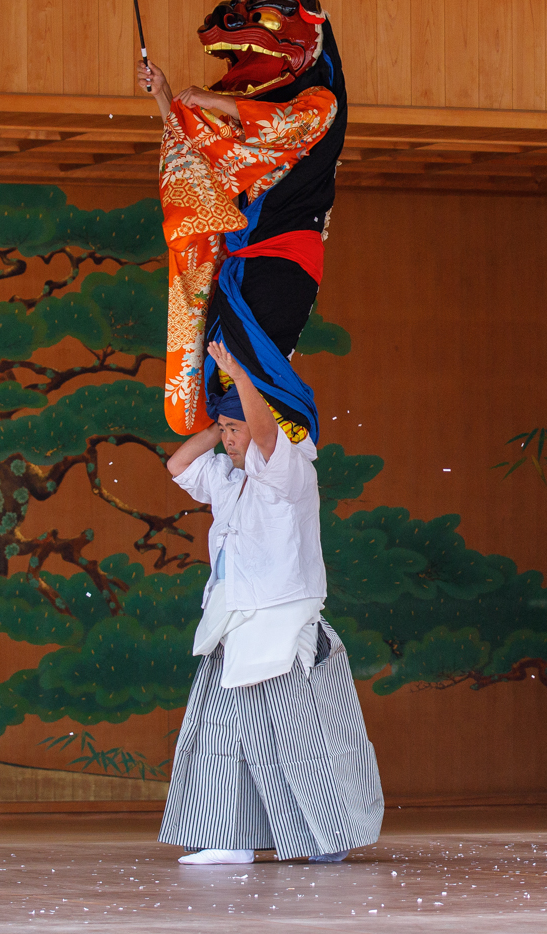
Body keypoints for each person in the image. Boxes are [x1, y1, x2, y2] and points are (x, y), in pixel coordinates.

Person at [158, 340, 383, 866]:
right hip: (234, 628)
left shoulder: (293, 472)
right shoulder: (229, 479)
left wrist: (242, 382)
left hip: (283, 629)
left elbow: (265, 436)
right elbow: (177, 464)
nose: (232, 441)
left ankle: (330, 838)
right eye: (229, 431)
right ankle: (226, 837)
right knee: (219, 739)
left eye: (238, 430)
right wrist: (219, 423)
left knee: (301, 742)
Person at [146, 0, 346, 443]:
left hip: (281, 255)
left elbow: (280, 124)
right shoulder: (236, 117)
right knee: (231, 359)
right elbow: (195, 145)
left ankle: (261, 428)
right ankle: (264, 433)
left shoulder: (321, 102)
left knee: (232, 360)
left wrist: (206, 100)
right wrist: (163, 91)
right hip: (249, 259)